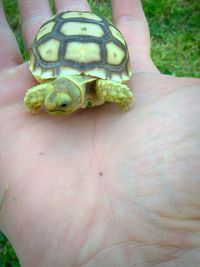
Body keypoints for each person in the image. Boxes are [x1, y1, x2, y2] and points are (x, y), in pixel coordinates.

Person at [0, 0, 199, 266]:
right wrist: (35, 103)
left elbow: (116, 91)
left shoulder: (102, 87)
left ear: (74, 99)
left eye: (61, 106)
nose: (54, 107)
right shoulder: (53, 90)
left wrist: (128, 104)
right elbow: (38, 96)